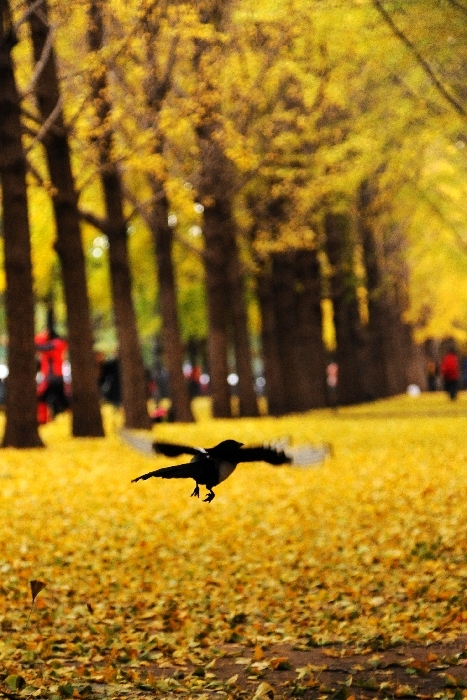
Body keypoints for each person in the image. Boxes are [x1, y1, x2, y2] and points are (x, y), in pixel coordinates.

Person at [35, 329, 69, 419]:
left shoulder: (56, 343)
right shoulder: (56, 344)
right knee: (61, 400)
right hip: (53, 377)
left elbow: (39, 346)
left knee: (41, 397)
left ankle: (43, 419)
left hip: (52, 377)